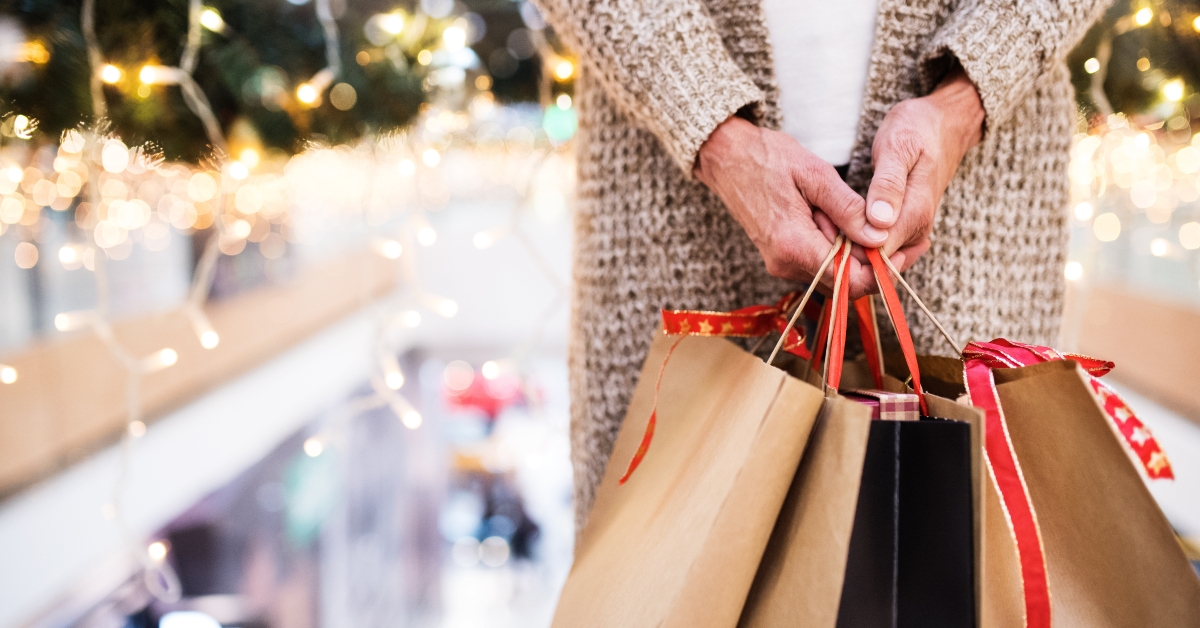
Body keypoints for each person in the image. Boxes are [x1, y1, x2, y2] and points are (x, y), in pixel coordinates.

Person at [533, 0, 1109, 530]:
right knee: (661, 557)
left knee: (961, 553)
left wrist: (969, 96)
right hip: (671, 186)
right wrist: (707, 123)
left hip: (978, 183)